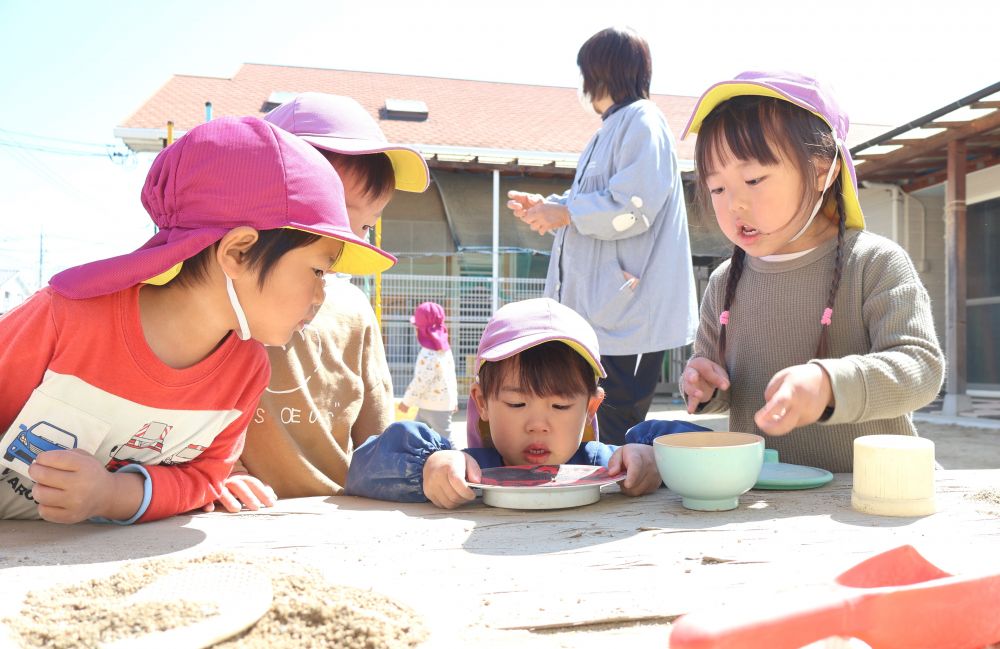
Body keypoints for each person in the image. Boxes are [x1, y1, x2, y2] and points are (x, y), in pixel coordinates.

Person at [0, 116, 395, 524]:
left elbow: (206, 475)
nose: (321, 295)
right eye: (317, 271)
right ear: (239, 252)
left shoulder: (246, 371)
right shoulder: (67, 317)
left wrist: (111, 494)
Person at [678, 71, 945, 473]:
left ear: (823, 171)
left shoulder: (873, 262)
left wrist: (829, 384)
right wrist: (703, 385)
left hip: (873, 491)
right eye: (717, 188)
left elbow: (921, 368)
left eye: (753, 179)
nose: (734, 204)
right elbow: (721, 385)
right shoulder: (724, 283)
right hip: (768, 495)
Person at [222, 92, 431, 505]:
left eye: (367, 226)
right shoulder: (223, 304)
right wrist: (220, 472)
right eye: (337, 211)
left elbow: (376, 443)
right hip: (232, 513)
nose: (352, 240)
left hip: (334, 513)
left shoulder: (354, 311)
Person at [506, 26, 698, 446]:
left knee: (616, 423)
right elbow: (590, 198)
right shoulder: (609, 130)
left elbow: (633, 207)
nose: (583, 85)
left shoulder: (644, 121)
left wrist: (566, 211)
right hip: (603, 312)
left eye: (586, 73)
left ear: (601, 72)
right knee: (597, 421)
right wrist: (547, 206)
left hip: (628, 310)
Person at [345, 298, 699, 509]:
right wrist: (427, 468)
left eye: (560, 407)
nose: (538, 425)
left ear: (591, 407)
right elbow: (359, 469)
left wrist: (656, 460)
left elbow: (710, 450)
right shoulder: (469, 471)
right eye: (516, 404)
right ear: (482, 403)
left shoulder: (607, 468)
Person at [398, 301, 458, 438]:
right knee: (417, 436)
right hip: (434, 405)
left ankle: (461, 458)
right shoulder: (444, 350)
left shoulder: (428, 354)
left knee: (444, 440)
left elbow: (421, 381)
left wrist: (407, 402)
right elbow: (450, 376)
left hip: (433, 407)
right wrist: (453, 399)